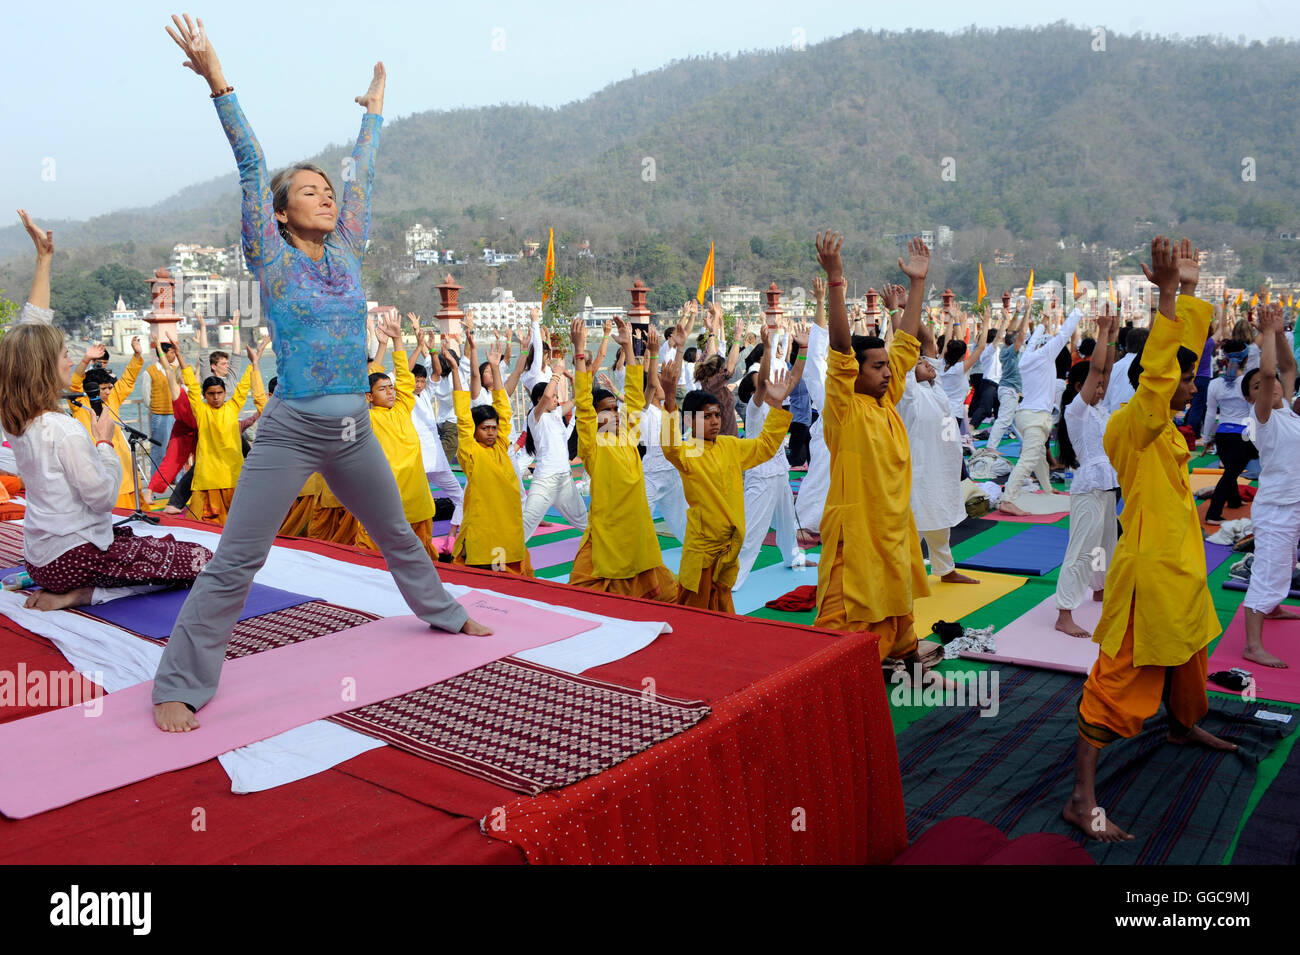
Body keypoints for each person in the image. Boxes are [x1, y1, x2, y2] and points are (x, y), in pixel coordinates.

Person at [152, 16, 489, 733]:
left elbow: (364, 174)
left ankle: (443, 612)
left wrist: (372, 116)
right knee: (238, 558)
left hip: (353, 428)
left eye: (325, 189)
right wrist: (218, 80)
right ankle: (181, 681)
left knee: (398, 530)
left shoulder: (350, 248)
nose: (325, 195)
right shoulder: (271, 259)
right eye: (308, 190)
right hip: (292, 429)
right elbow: (251, 164)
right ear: (278, 214)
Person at [1066, 237, 1236, 843]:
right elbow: (1164, 373)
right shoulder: (1133, 423)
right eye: (1188, 379)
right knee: (1115, 682)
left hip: (1182, 568)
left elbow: (1176, 358)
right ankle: (1082, 797)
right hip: (1146, 578)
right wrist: (1166, 294)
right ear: (1158, 386)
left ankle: (1182, 725)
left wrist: (1188, 290)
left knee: (1189, 657)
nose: (1196, 384)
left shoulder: (1162, 426)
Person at [2, 210, 213, 611]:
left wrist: (44, 260)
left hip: (41, 559)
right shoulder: (61, 429)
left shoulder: (15, 415)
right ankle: (85, 596)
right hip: (73, 562)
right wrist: (102, 443)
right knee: (203, 562)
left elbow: (27, 335)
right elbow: (100, 499)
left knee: (145, 543)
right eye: (66, 355)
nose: (72, 361)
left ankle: (74, 587)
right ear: (46, 367)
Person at [812, 232, 931, 663]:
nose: (886, 372)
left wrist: (917, 286)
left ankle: (905, 662)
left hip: (893, 533)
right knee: (837, 639)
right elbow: (842, 348)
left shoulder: (887, 400)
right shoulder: (846, 407)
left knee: (899, 613)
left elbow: (906, 345)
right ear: (856, 373)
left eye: (887, 367)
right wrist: (837, 280)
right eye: (876, 367)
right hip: (856, 537)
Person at [658, 340, 797, 613]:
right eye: (707, 416)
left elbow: (766, 446)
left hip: (728, 548)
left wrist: (778, 406)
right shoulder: (688, 451)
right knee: (693, 611)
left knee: (722, 609)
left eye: (717, 415)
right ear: (689, 420)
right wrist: (670, 397)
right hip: (701, 550)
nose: (715, 421)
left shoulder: (730, 446)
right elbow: (670, 446)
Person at [566, 316, 677, 599]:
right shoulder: (591, 443)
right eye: (606, 410)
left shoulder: (628, 434)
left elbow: (635, 394)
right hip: (607, 526)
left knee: (655, 590)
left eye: (615, 409)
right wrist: (579, 349)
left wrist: (631, 348)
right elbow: (582, 401)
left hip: (636, 522)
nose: (613, 414)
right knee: (582, 590)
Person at [1239, 302, 1300, 668]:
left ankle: (1274, 607)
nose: (1271, 386)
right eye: (1261, 387)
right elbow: (1269, 368)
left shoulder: (1288, 412)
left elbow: (1288, 367)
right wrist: (1267, 340)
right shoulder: (1263, 419)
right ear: (1252, 397)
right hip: (1276, 509)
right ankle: (1252, 644)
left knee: (1286, 561)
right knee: (1269, 570)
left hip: (1292, 504)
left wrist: (1278, 333)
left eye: (1273, 383)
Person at [1054, 308, 1120, 639]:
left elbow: (1105, 366)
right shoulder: (1076, 411)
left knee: (1106, 546)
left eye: (1104, 386)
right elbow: (1097, 367)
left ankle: (1099, 589)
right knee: (1081, 549)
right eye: (1097, 386)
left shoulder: (1098, 408)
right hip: (1088, 488)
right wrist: (1103, 329)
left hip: (1107, 486)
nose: (1102, 389)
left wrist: (1115, 325)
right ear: (1081, 386)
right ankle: (1064, 612)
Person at [352, 313, 440, 559]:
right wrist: (379, 345)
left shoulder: (403, 408)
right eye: (382, 389)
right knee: (374, 557)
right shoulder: (366, 418)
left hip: (417, 497)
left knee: (423, 557)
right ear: (369, 397)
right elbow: (357, 392)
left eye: (390, 388)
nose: (390, 392)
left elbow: (403, 377)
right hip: (385, 500)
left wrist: (398, 340)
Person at [900, 308, 978, 585]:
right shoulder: (908, 393)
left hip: (943, 467)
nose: (927, 363)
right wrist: (897, 313)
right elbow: (905, 347)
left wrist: (907, 305)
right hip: (919, 469)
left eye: (927, 361)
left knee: (941, 519)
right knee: (915, 524)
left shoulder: (936, 387)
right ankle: (899, 577)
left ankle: (946, 569)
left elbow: (929, 342)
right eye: (920, 363)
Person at [732, 326, 812, 590]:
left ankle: (793, 557)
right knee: (753, 532)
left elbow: (795, 378)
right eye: (762, 383)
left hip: (779, 471)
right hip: (759, 475)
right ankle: (732, 579)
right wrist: (767, 349)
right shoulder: (755, 409)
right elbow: (764, 377)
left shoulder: (776, 402)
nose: (769, 384)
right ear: (754, 390)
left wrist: (803, 349)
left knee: (788, 523)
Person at [449, 340, 531, 575]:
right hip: (483, 527)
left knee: (516, 580)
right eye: (485, 428)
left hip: (508, 524)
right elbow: (463, 418)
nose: (491, 433)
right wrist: (455, 371)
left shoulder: (501, 445)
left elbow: (504, 410)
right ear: (475, 431)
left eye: (493, 428)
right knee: (485, 580)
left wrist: (496, 368)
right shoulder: (470, 452)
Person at [172, 331, 266, 525]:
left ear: (225, 393)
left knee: (238, 523)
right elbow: (190, 380)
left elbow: (245, 384)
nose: (216, 397)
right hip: (207, 476)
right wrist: (179, 355)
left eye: (219, 393)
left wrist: (256, 360)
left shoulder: (232, 407)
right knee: (200, 526)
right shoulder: (201, 409)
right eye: (211, 394)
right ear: (205, 395)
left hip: (232, 474)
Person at [998, 301, 1082, 514]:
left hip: (1027, 415)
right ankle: (1008, 498)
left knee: (1035, 456)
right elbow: (1064, 334)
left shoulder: (1027, 356)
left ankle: (1046, 487)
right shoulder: (1044, 356)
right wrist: (1078, 307)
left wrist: (1044, 322)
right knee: (1028, 459)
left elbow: (1034, 338)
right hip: (1035, 417)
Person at [68, 336, 144, 510]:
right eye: (103, 389)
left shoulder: (113, 398)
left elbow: (128, 379)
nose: (109, 391)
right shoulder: (80, 404)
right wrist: (86, 359)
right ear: (91, 389)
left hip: (121, 462)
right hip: (94, 462)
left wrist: (137, 355)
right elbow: (74, 384)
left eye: (110, 387)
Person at [521, 370, 589, 540]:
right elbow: (546, 397)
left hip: (565, 479)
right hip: (544, 480)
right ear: (540, 399)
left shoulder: (556, 414)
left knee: (584, 521)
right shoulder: (534, 417)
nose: (557, 401)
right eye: (554, 397)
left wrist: (573, 380)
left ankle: (609, 550)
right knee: (527, 522)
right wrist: (556, 374)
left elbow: (575, 399)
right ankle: (503, 556)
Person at [639, 328, 690, 544]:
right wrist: (652, 352)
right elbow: (650, 383)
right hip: (651, 475)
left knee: (686, 525)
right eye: (659, 381)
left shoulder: (667, 408)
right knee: (638, 524)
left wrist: (679, 348)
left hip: (672, 474)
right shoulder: (642, 408)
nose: (662, 383)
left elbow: (674, 375)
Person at [1200, 342, 1255, 525]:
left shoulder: (1215, 384)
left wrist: (1206, 438)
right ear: (1246, 359)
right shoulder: (1248, 382)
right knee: (1231, 473)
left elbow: (1210, 413)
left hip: (1222, 434)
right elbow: (1253, 411)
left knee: (1231, 469)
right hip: (1242, 434)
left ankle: (1233, 500)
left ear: (1224, 359)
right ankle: (1213, 513)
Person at [985, 304, 1028, 452]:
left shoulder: (1005, 348)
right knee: (1004, 420)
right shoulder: (1011, 351)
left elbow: (1011, 331)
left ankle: (1026, 445)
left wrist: (1017, 313)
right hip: (1009, 390)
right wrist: (1027, 312)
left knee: (1015, 421)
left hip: (1009, 389)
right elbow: (1020, 335)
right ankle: (991, 448)